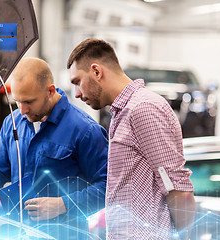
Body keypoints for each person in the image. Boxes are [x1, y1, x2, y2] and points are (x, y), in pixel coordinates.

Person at [0, 57, 108, 239]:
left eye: (29, 102)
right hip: (20, 232)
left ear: (49, 91)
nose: (22, 110)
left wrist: (63, 204)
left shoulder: (85, 130)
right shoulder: (13, 122)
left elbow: (107, 189)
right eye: (18, 101)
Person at [67, 39, 196, 240]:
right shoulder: (123, 112)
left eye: (77, 82)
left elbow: (178, 190)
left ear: (96, 72)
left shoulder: (143, 109)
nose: (76, 94)